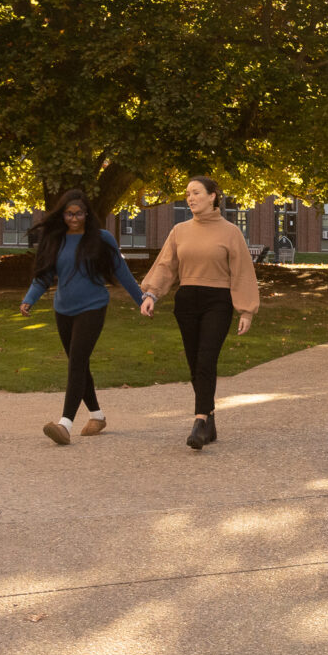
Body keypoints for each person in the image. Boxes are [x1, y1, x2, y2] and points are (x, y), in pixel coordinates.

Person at [138, 175, 259, 450]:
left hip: (218, 301)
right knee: (195, 364)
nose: (190, 198)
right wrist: (151, 294)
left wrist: (246, 310)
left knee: (206, 359)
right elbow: (166, 266)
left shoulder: (230, 232)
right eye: (187, 194)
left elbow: (242, 273)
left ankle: (199, 421)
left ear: (212, 196)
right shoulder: (179, 231)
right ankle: (210, 419)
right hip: (187, 300)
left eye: (195, 193)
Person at [19, 189, 146, 446]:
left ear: (87, 214)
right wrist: (29, 298)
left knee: (76, 361)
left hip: (93, 306)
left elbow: (122, 272)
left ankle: (65, 424)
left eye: (79, 213)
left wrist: (142, 300)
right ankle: (97, 416)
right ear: (62, 214)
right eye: (69, 213)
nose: (74, 218)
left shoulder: (101, 239)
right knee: (80, 363)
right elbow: (44, 276)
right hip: (63, 309)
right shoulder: (56, 239)